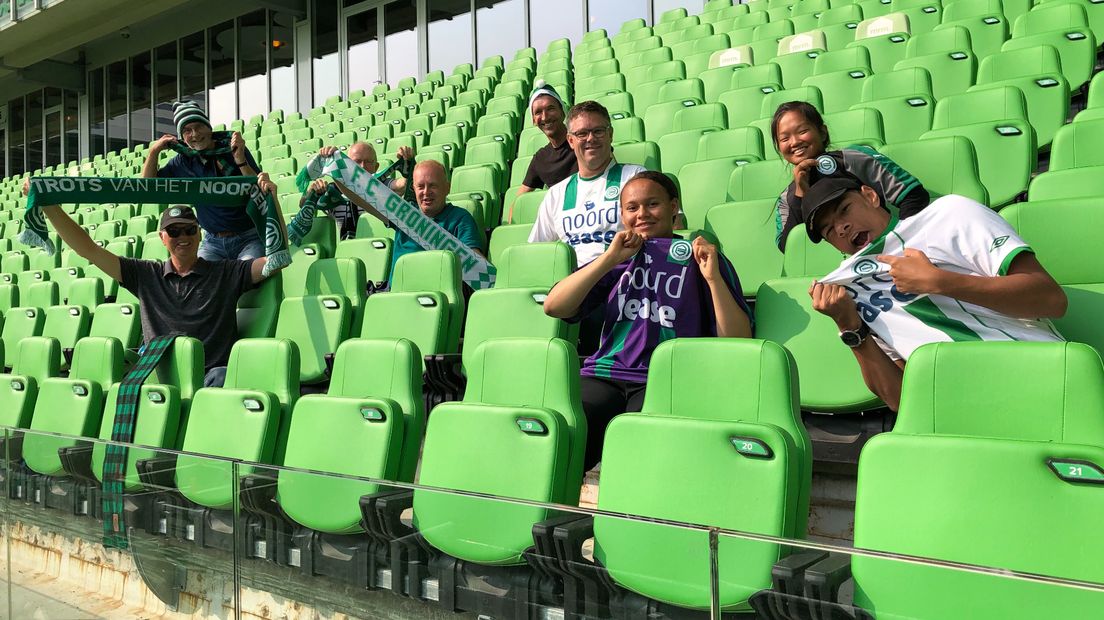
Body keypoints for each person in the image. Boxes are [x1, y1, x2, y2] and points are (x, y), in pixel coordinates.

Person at [804, 173, 1067, 412]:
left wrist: (939, 281)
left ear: (870, 196)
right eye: (829, 230)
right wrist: (850, 327)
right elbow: (900, 400)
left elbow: (1051, 300)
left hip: (1040, 379)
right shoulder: (854, 290)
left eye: (845, 210)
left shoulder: (951, 214)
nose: (841, 228)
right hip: (963, 411)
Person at [544, 171, 753, 469]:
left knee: (640, 447)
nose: (641, 214)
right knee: (561, 434)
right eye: (631, 208)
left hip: (667, 378)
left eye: (652, 204)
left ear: (673, 207)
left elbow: (738, 341)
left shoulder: (702, 259)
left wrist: (713, 278)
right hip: (606, 374)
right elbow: (554, 307)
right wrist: (608, 259)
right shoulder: (618, 259)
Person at [37, 174, 288, 388]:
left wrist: (272, 197)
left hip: (209, 377)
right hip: (158, 376)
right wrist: (48, 205)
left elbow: (278, 261)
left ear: (199, 234)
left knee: (223, 377)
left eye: (189, 230)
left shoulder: (225, 272)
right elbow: (88, 250)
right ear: (162, 237)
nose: (183, 237)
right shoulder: (145, 274)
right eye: (174, 231)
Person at [771, 101, 930, 251]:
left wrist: (901, 243)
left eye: (802, 131)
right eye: (784, 138)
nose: (794, 142)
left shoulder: (854, 157)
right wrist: (800, 195)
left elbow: (914, 196)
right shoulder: (786, 199)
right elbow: (790, 247)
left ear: (823, 132)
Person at [529, 100, 648, 267]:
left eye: (598, 131)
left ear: (610, 134)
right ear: (570, 140)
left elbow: (664, 234)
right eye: (582, 134)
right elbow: (537, 251)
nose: (590, 138)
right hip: (572, 283)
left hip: (623, 280)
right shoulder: (556, 194)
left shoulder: (635, 178)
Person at [142, 101, 264, 261]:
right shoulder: (182, 161)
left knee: (246, 276)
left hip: (249, 237)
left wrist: (240, 160)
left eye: (198, 126)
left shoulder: (232, 148)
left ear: (209, 127)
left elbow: (257, 187)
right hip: (212, 242)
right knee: (198, 280)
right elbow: (147, 186)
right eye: (187, 130)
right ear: (182, 137)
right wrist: (154, 151)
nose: (195, 134)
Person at [340, 159, 483, 274]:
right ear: (413, 189)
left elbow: (477, 268)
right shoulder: (404, 214)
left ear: (447, 188)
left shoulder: (460, 219)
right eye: (421, 186)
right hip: (397, 294)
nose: (426, 192)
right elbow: (360, 197)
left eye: (433, 186)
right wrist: (335, 170)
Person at [304, 142, 414, 239]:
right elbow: (304, 204)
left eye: (368, 162)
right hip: (345, 253)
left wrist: (408, 166)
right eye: (356, 162)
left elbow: (402, 185)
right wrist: (313, 192)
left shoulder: (381, 185)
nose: (362, 166)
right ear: (346, 164)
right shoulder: (334, 190)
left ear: (376, 167)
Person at [510, 81, 577, 221]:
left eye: (550, 108)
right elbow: (517, 204)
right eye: (538, 112)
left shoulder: (583, 141)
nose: (545, 117)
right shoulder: (540, 158)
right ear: (534, 120)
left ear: (562, 111)